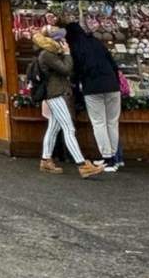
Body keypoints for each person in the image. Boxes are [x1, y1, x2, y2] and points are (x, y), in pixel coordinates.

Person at [34, 28, 103, 177]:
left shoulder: (49, 53)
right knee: (69, 128)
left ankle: (46, 160)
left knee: (53, 128)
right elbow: (66, 69)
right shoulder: (48, 55)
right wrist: (67, 54)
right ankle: (82, 164)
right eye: (61, 39)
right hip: (55, 94)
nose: (64, 42)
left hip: (55, 94)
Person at [64, 21, 123, 171]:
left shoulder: (75, 48)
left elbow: (75, 73)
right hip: (112, 86)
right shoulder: (96, 42)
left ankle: (107, 159)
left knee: (99, 123)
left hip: (92, 88)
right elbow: (113, 64)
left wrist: (77, 92)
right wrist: (116, 82)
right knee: (112, 122)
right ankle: (115, 158)